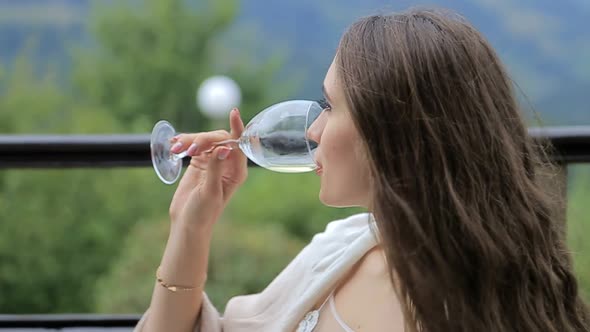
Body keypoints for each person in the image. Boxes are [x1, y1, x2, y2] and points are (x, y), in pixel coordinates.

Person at [135, 7, 590, 332]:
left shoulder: (471, 310)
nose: (312, 131)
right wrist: (191, 228)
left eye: (331, 107)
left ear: (395, 133)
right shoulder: (341, 248)